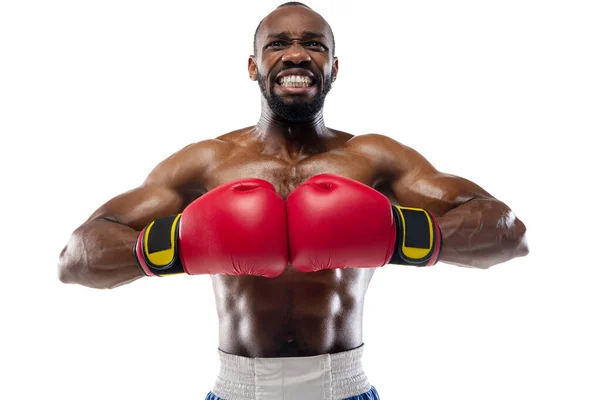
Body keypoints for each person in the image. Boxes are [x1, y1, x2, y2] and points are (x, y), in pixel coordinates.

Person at [57, 2, 529, 399]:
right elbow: (76, 257)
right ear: (253, 65)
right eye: (278, 44)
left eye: (315, 45)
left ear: (334, 68)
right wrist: (178, 245)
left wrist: (397, 235)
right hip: (238, 388)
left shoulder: (374, 159)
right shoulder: (204, 165)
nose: (297, 55)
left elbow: (508, 233)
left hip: (344, 388)